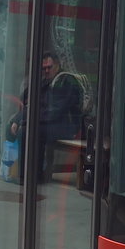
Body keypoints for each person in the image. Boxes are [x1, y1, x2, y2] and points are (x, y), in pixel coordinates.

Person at [8, 51, 85, 181]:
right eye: (44, 68)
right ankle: (18, 171)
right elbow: (32, 104)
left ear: (57, 65)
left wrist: (28, 120)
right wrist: (17, 119)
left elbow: (55, 111)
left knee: (30, 130)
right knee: (12, 127)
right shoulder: (46, 82)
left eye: (49, 67)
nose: (47, 71)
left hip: (66, 125)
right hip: (50, 121)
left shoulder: (66, 81)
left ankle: (31, 176)